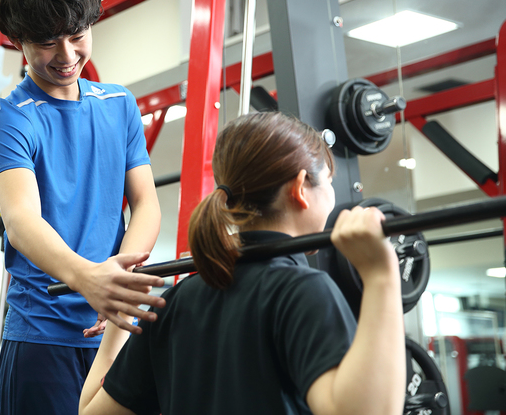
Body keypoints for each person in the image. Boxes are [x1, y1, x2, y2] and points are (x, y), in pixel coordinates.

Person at [79, 111, 406, 415]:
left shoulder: (172, 303)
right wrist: (381, 275)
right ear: (301, 187)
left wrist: (118, 318)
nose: (333, 195)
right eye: (329, 182)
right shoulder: (302, 291)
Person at [0, 0, 165, 415]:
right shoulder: (10, 120)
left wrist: (121, 281)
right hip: (42, 337)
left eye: (77, 36)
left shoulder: (119, 104)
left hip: (115, 331)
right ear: (18, 42)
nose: (66, 56)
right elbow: (22, 221)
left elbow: (145, 203)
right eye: (46, 42)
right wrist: (89, 280)